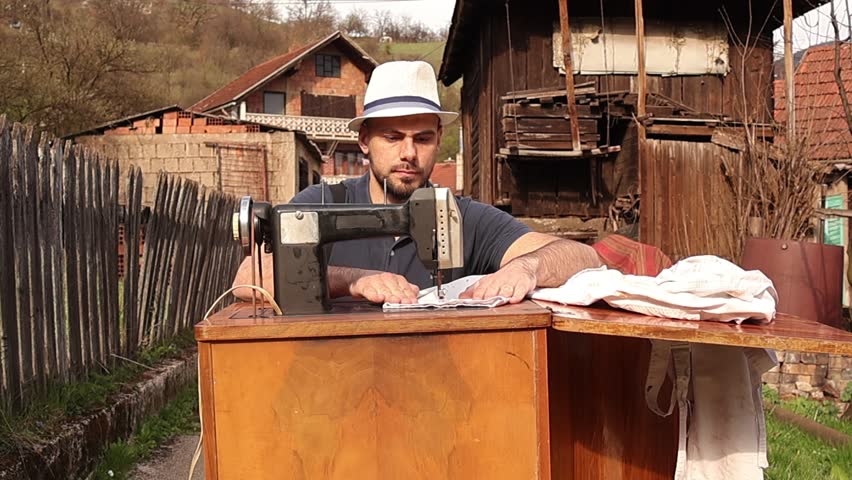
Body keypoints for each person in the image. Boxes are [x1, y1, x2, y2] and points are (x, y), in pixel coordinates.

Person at [233, 61, 601, 304]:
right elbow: (248, 278)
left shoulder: (465, 217)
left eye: (422, 139)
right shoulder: (321, 201)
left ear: (439, 139)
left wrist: (526, 267)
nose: (409, 153)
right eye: (392, 138)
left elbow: (585, 256)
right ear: (364, 140)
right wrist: (352, 280)